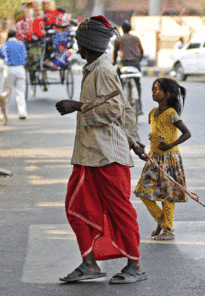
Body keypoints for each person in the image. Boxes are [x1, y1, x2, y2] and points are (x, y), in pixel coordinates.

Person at [55, 15, 148, 284]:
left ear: (86, 45)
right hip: (89, 154)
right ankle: (89, 264)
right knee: (78, 207)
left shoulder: (104, 71)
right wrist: (135, 140)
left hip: (108, 156)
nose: (78, 49)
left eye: (79, 44)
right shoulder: (95, 69)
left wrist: (78, 106)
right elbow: (126, 109)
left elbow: (112, 110)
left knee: (120, 210)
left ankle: (135, 265)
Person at [134, 78, 191, 240]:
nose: (154, 92)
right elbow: (155, 134)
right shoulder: (152, 113)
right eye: (153, 88)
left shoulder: (172, 113)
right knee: (143, 192)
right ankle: (161, 221)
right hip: (154, 158)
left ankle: (168, 229)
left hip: (169, 158)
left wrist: (170, 145)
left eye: (158, 89)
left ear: (167, 94)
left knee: (168, 195)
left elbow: (187, 133)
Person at [113, 20, 144, 115]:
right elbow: (141, 51)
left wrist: (114, 62)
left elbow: (115, 53)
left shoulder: (119, 39)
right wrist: (139, 59)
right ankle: (139, 106)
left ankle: (120, 99)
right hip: (136, 64)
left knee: (118, 79)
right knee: (138, 83)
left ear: (122, 29)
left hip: (125, 64)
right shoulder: (136, 38)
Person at [0, 29, 27, 120]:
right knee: (20, 92)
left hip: (9, 69)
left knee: (6, 92)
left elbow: (0, 55)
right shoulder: (21, 44)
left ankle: (2, 114)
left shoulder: (5, 44)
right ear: (15, 35)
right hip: (20, 69)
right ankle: (22, 113)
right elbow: (25, 56)